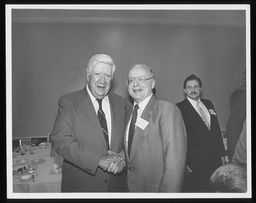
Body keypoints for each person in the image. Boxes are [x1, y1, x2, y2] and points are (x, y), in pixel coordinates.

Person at [51, 54, 127, 192]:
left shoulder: (122, 103)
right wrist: (99, 159)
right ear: (88, 75)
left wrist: (122, 158)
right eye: (97, 74)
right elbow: (60, 141)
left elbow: (131, 139)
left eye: (108, 76)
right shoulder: (69, 102)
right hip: (82, 187)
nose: (102, 80)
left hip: (117, 187)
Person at [124, 64, 187, 192]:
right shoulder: (128, 113)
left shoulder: (167, 110)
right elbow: (131, 151)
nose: (135, 84)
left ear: (152, 84)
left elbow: (174, 166)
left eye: (141, 79)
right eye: (131, 80)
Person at [176, 74, 228, 192]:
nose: (193, 90)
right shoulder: (179, 108)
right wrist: (184, 162)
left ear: (201, 88)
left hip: (214, 159)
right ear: (184, 90)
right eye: (189, 87)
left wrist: (222, 153)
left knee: (215, 190)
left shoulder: (209, 103)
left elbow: (216, 130)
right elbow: (179, 139)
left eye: (196, 87)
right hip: (194, 162)